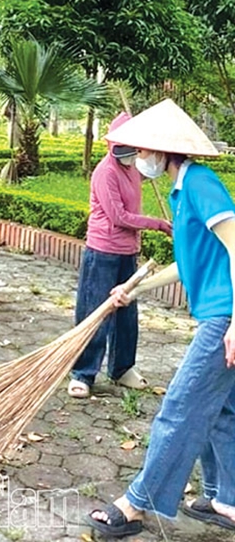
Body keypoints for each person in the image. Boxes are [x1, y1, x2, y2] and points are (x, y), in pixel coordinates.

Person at [86, 98, 235, 538]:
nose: (138, 158)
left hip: (225, 317)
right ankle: (226, 499)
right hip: (219, 313)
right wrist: (133, 288)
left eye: (142, 149)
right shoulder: (183, 188)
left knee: (180, 406)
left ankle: (138, 502)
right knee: (223, 411)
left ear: (161, 151)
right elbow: (186, 264)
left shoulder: (202, 185)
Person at [67, 112, 172, 399]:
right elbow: (119, 217)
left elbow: (153, 167)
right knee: (95, 312)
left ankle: (122, 368)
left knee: (127, 312)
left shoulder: (131, 168)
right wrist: (159, 224)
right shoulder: (105, 172)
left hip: (128, 252)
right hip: (103, 252)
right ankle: (83, 373)